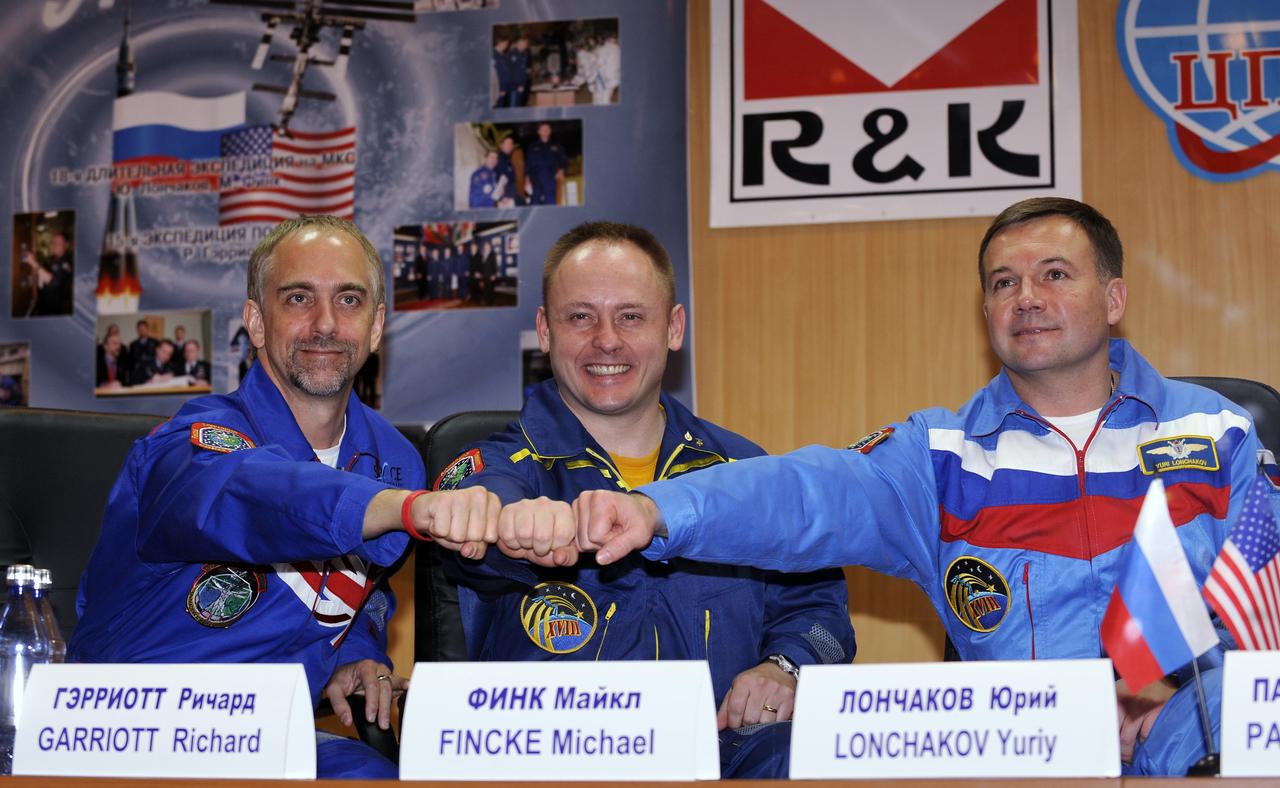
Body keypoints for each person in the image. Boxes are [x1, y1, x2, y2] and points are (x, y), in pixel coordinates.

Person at [567, 198, 1262, 777]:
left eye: (1054, 274)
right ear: (986, 311)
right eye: (1003, 283)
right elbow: (805, 494)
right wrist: (658, 509)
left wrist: (1166, 700)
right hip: (1023, 757)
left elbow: (1264, 616)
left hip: (1197, 747)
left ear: (1113, 299)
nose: (1026, 298)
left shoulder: (1216, 434)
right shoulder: (940, 458)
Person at [70, 215, 501, 779]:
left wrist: (354, 650)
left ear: (376, 326)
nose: (325, 324)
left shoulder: (394, 458)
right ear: (256, 321)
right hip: (129, 733)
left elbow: (359, 589)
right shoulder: (188, 442)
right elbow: (252, 494)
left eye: (349, 300)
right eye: (298, 298)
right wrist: (395, 507)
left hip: (269, 734)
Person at [436, 221, 855, 778]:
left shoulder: (745, 471)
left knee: (806, 757)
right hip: (553, 759)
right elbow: (472, 509)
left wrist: (785, 667)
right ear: (544, 330)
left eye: (631, 316)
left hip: (720, 756)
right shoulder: (494, 467)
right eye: (580, 317)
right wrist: (510, 523)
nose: (607, 339)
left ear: (674, 328)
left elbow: (820, 611)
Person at [21, 231, 73, 316]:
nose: (54, 245)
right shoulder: (50, 259)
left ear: (66, 245)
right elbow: (41, 273)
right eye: (53, 242)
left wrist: (33, 262)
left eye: (58, 243)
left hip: (52, 307)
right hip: (41, 301)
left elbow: (55, 282)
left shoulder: (66, 263)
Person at [524, 122, 567, 206]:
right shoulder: (532, 147)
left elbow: (564, 161)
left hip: (551, 180)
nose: (545, 131)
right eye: (543, 129)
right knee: (535, 206)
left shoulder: (557, 146)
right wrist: (527, 179)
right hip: (535, 180)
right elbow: (528, 165)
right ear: (539, 131)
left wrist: (561, 171)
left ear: (550, 131)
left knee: (551, 205)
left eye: (547, 129)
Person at [496, 135, 523, 206]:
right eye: (507, 143)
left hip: (511, 193)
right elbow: (499, 177)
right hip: (505, 196)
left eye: (511, 144)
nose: (510, 146)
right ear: (501, 145)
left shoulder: (509, 161)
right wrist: (503, 196)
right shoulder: (498, 159)